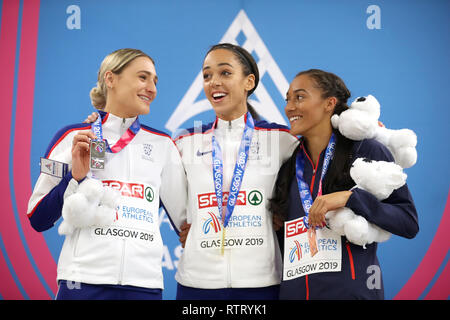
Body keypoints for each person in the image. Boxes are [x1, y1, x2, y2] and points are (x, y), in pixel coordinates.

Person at [27, 48, 187, 300]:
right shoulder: (73, 137)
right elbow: (38, 218)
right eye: (143, 77)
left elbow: (186, 224)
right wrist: (74, 178)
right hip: (82, 282)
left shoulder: (163, 144)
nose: (152, 88)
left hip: (143, 284)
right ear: (110, 79)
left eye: (155, 81)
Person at [269, 69, 419, 299]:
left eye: (299, 97)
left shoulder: (365, 150)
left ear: (329, 103)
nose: (290, 107)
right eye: (287, 99)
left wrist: (351, 198)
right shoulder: (289, 167)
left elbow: (408, 222)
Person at [174, 43, 299, 300]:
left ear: (248, 82)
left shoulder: (280, 139)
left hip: (261, 282)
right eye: (207, 75)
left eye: (225, 73)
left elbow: (323, 164)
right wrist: (101, 129)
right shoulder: (185, 141)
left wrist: (367, 132)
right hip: (197, 283)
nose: (214, 82)